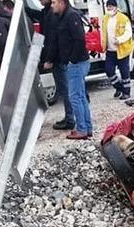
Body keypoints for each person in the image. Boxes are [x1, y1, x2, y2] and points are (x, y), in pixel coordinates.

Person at [45, 0, 91, 140]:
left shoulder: (71, 16)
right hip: (75, 62)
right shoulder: (63, 17)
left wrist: (72, 59)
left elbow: (79, 39)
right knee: (81, 96)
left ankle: (82, 129)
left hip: (76, 63)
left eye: (54, 2)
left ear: (61, 2)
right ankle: (87, 128)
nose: (52, 5)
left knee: (75, 97)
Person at [26, 0, 74, 131]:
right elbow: (37, 15)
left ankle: (71, 119)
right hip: (57, 57)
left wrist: (49, 59)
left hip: (58, 58)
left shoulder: (53, 14)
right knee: (64, 88)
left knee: (65, 89)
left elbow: (53, 38)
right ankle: (70, 117)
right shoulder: (47, 11)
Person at [101, 0, 133, 100]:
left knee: (124, 73)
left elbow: (128, 33)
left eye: (111, 6)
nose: (109, 9)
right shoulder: (105, 18)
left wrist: (119, 40)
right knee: (109, 70)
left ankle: (126, 93)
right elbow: (103, 32)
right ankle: (119, 87)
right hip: (110, 51)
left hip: (122, 50)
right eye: (108, 7)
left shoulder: (123, 18)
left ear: (115, 7)